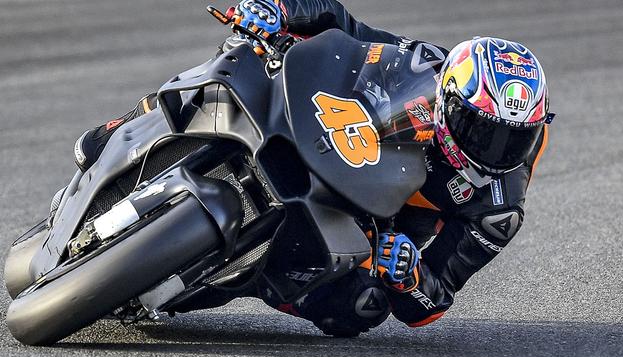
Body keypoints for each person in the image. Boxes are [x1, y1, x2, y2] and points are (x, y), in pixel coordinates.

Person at [73, 0, 553, 337]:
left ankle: (239, 278)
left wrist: (408, 277)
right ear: (451, 97)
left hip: (377, 226)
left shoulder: (498, 208)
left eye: (515, 137)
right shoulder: (426, 66)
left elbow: (436, 296)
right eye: (481, 128)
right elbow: (343, 25)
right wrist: (278, 10)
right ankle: (131, 123)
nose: (494, 149)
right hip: (339, 135)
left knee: (362, 310)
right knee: (241, 57)